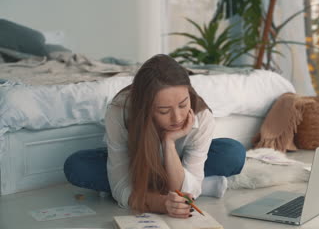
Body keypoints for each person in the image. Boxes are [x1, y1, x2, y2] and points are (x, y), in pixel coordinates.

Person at [63, 54, 246, 217]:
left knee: (232, 153)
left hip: (177, 163)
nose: (178, 117)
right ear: (146, 109)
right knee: (77, 166)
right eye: (164, 111)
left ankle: (153, 187)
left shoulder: (201, 116)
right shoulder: (119, 111)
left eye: (183, 104)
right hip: (138, 165)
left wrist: (169, 143)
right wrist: (162, 203)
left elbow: (179, 189)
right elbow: (121, 184)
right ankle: (205, 185)